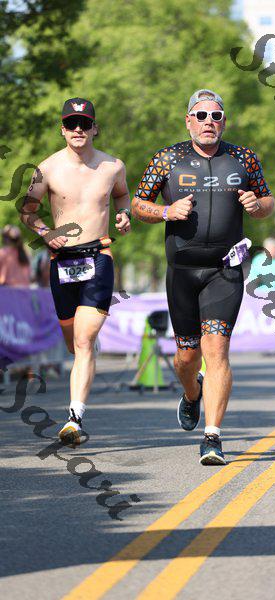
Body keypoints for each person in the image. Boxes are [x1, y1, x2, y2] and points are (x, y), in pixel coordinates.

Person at [132, 89, 275, 465]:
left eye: (215, 115)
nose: (208, 121)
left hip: (225, 270)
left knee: (216, 349)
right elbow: (138, 204)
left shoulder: (243, 158)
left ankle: (212, 437)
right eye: (200, 115)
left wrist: (257, 205)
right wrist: (166, 212)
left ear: (224, 121)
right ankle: (191, 392)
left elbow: (268, 202)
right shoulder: (168, 158)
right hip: (182, 272)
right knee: (186, 356)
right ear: (188, 121)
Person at [20, 97, 131, 445]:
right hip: (62, 262)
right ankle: (84, 358)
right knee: (74, 343)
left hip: (99, 256)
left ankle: (74, 419)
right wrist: (45, 232)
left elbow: (122, 196)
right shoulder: (47, 169)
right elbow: (27, 211)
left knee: (84, 341)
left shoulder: (113, 166)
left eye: (85, 124)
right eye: (71, 124)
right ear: (63, 129)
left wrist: (124, 213)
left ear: (95, 128)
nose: (78, 129)